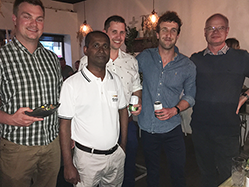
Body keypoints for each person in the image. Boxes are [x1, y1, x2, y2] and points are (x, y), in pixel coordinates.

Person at [0, 0, 63, 187]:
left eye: (39, 19)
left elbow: (60, 99)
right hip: (17, 147)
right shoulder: (2, 58)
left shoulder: (52, 58)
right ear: (14, 19)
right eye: (27, 17)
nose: (33, 24)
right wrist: (10, 119)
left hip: (52, 144)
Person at [78, 15, 142, 187]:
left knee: (127, 172)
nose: (119, 37)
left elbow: (137, 86)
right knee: (95, 174)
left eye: (122, 32)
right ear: (105, 32)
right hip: (96, 127)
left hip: (126, 126)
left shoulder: (131, 61)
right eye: (114, 32)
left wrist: (138, 101)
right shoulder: (86, 61)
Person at [59, 31, 128, 186]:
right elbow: (64, 126)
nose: (102, 50)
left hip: (115, 155)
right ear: (86, 50)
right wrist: (68, 164)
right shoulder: (71, 84)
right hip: (87, 160)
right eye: (96, 45)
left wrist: (123, 146)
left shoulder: (115, 80)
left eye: (105, 46)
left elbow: (123, 110)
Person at [136, 11, 196, 187]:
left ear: (177, 34)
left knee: (178, 172)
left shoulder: (187, 65)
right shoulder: (145, 57)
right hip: (147, 127)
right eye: (164, 29)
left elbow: (190, 96)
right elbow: (129, 75)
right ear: (157, 34)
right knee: (152, 172)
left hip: (172, 128)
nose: (168, 35)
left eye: (173, 30)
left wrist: (175, 110)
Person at [190, 13, 249, 187]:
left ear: (227, 31)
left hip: (227, 129)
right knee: (206, 174)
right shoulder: (196, 60)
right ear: (205, 32)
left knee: (227, 176)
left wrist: (245, 96)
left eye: (220, 28)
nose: (215, 31)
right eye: (211, 28)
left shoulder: (241, 57)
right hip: (201, 128)